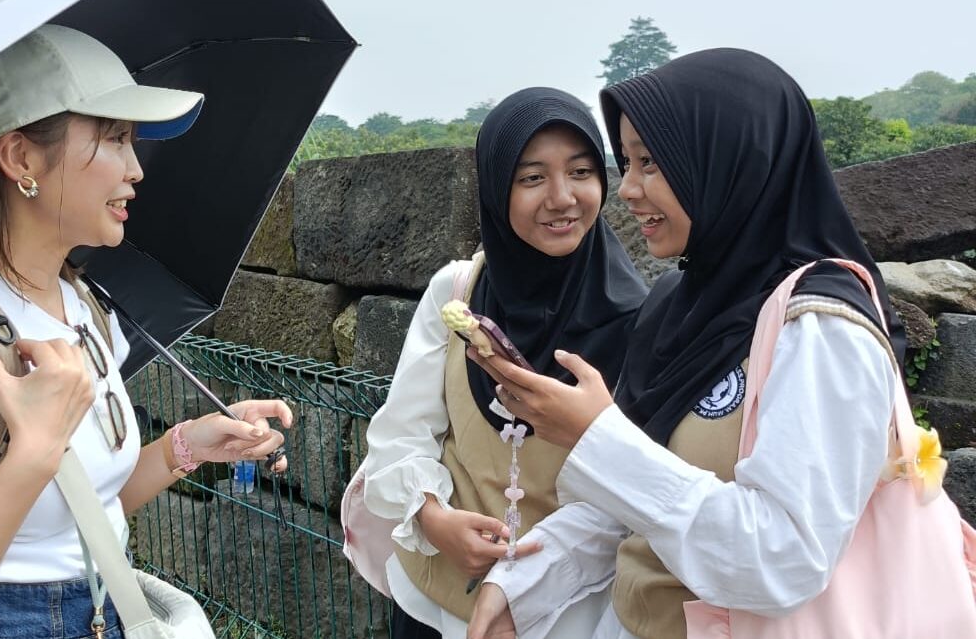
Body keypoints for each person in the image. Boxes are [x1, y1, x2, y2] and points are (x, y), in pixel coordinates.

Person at [0, 25, 293, 639]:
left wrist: (186, 447)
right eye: (113, 138)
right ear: (21, 159)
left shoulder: (84, 305)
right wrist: (33, 452)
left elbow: (78, 513)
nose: (136, 168)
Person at [466, 48, 908, 639]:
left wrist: (594, 436)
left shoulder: (821, 331)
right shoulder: (680, 303)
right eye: (624, 162)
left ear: (728, 161)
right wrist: (522, 582)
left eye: (652, 162)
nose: (626, 189)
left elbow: (784, 559)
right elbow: (632, 499)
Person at [358, 87, 647, 639]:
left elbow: (636, 493)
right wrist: (431, 518)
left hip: (565, 618)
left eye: (582, 172)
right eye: (532, 177)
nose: (562, 198)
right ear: (495, 188)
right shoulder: (458, 293)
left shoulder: (640, 323)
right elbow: (403, 432)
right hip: (434, 603)